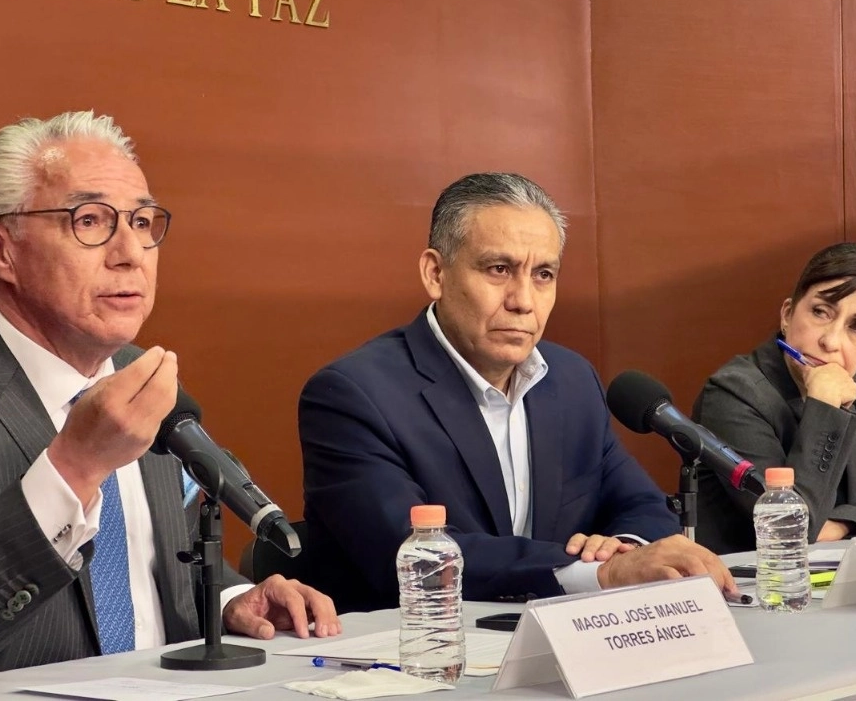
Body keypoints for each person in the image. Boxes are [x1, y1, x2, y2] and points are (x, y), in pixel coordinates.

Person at [0, 111, 339, 684]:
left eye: (142, 222)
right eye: (90, 220)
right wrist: (74, 467)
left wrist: (228, 604)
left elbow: (153, 569)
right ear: (1, 249)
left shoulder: (142, 374)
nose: (131, 251)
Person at [299, 172, 736, 613]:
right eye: (499, 269)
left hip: (556, 643)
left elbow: (640, 503)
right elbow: (411, 557)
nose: (523, 300)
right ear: (436, 274)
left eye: (543, 274)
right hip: (408, 654)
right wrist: (599, 574)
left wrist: (621, 548)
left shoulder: (570, 379)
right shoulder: (353, 394)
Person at [693, 242, 856, 555]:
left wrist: (838, 527)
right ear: (788, 314)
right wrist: (824, 408)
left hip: (827, 582)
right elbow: (787, 527)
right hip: (750, 588)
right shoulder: (732, 395)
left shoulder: (852, 384)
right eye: (821, 312)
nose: (830, 341)